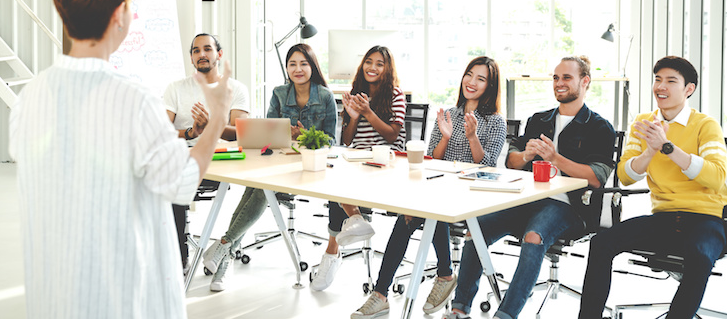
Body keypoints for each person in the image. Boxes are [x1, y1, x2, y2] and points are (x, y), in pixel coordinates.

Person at [9, 0, 233, 319]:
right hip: (120, 294)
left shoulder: (29, 96)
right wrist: (219, 114)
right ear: (118, 16)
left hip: (52, 291)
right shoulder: (133, 101)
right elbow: (181, 183)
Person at [445, 55, 616, 319]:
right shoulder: (539, 120)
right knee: (475, 229)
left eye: (566, 78)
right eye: (556, 78)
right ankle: (458, 309)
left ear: (585, 82)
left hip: (568, 206)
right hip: (525, 200)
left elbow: (597, 177)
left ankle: (506, 315)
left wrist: (555, 158)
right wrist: (526, 155)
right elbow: (511, 163)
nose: (559, 83)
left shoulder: (600, 127)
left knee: (534, 236)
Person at [352, 57, 508, 319]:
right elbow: (434, 159)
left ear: (490, 86)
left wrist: (472, 137)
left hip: (474, 194)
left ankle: (438, 276)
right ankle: (384, 293)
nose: (471, 82)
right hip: (443, 188)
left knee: (428, 210)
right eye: (469, 75)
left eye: (480, 79)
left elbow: (488, 166)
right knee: (408, 216)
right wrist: (445, 137)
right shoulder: (449, 113)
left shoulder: (495, 121)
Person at [578, 56, 727, 319]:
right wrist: (649, 152)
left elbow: (716, 177)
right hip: (665, 217)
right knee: (601, 243)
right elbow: (625, 176)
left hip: (707, 219)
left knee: (700, 255)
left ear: (688, 89)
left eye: (671, 81)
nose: (661, 86)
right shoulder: (645, 122)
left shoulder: (705, 125)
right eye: (658, 80)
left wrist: (667, 148)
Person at [201, 43, 337, 291]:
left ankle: (225, 245)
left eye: (303, 64)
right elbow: (268, 133)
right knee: (258, 188)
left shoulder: (326, 97)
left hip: (307, 167)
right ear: (287, 68)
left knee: (262, 189)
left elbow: (332, 140)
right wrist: (283, 135)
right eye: (292, 64)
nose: (298, 69)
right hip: (278, 160)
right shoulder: (279, 93)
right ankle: (224, 253)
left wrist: (306, 136)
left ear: (313, 66)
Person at [311, 45, 407, 291]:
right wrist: (353, 116)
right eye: (368, 62)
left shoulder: (396, 95)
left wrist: (368, 112)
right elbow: (347, 140)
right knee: (332, 174)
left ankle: (333, 251)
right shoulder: (356, 93)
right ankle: (354, 218)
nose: (372, 67)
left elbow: (392, 135)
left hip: (388, 158)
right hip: (358, 157)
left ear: (387, 69)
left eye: (379, 64)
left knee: (339, 185)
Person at [164, 33, 250, 271]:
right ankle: (177, 253)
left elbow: (240, 133)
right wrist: (191, 132)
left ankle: (224, 246)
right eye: (195, 51)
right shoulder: (176, 88)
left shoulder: (236, 88)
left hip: (221, 160)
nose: (201, 54)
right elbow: (162, 132)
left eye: (207, 49)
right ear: (191, 58)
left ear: (218, 54)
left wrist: (213, 125)